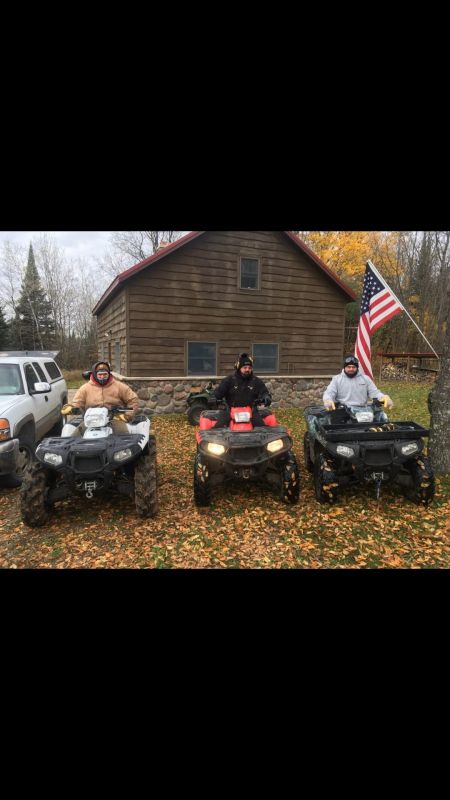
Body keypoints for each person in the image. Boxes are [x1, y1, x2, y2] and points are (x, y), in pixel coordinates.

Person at [62, 361, 140, 435]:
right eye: (99, 374)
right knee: (75, 437)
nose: (102, 377)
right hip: (91, 420)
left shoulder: (119, 386)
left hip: (115, 419)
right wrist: (71, 408)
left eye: (105, 374)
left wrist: (127, 415)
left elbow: (133, 400)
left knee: (124, 437)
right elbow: (77, 403)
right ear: (94, 374)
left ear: (109, 374)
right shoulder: (85, 388)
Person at [213, 353, 272, 428]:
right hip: (230, 410)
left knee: (262, 428)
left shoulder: (256, 381)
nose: (247, 369)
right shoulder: (229, 380)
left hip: (251, 411)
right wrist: (216, 397)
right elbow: (219, 393)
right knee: (218, 428)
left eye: (249, 368)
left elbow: (264, 392)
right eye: (245, 367)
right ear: (239, 368)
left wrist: (266, 397)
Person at [323, 355, 393, 411]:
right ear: (344, 368)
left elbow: (374, 392)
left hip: (363, 410)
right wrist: (328, 400)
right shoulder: (337, 379)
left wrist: (383, 397)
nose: (351, 369)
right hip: (342, 410)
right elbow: (329, 392)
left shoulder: (365, 379)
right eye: (348, 367)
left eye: (353, 367)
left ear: (357, 368)